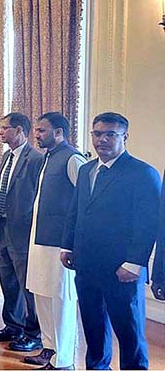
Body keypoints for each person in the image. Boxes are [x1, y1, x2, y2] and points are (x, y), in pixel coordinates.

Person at [61, 112, 160, 370]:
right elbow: (76, 211)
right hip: (86, 265)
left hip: (122, 270)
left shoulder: (143, 173)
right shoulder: (85, 170)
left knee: (129, 334)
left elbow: (147, 223)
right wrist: (67, 245)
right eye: (97, 134)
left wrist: (135, 263)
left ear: (124, 137)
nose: (102, 140)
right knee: (93, 328)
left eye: (110, 134)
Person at [22, 112, 86, 369]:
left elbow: (83, 202)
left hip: (60, 244)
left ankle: (63, 360)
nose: (37, 135)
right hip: (39, 240)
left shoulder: (73, 158)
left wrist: (71, 243)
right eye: (36, 130)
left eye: (42, 130)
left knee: (61, 300)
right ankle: (48, 349)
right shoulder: (48, 157)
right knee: (42, 295)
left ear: (59, 132)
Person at [0, 113, 44, 352]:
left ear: (20, 130)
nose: (1, 132)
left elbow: (37, 197)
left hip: (22, 232)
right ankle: (13, 325)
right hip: (3, 228)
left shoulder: (35, 159)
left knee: (27, 285)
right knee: (8, 281)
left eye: (5, 128)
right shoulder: (6, 156)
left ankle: (34, 333)